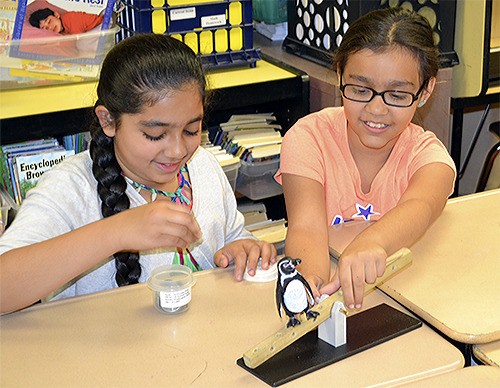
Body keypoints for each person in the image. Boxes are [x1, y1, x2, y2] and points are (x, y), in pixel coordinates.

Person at [0, 34, 276, 314]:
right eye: (155, 135)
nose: (178, 150)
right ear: (108, 121)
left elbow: (234, 236)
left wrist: (242, 250)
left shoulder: (203, 166)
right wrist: (116, 232)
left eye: (192, 130)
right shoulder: (70, 188)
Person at [275, 7, 456, 310]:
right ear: (339, 78)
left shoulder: (429, 158)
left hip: (402, 301)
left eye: (397, 95)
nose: (376, 110)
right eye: (360, 90)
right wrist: (310, 286)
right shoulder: (308, 139)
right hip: (335, 294)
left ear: (425, 91)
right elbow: (307, 227)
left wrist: (373, 241)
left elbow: (421, 206)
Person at [29, 7, 103, 34]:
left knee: (81, 44)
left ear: (56, 15)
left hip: (103, 25)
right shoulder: (62, 30)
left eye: (48, 21)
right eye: (45, 28)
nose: (49, 27)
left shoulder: (70, 19)